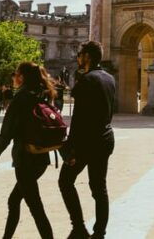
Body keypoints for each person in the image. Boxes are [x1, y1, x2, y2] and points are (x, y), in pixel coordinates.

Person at [0, 62, 55, 239]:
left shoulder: (21, 97)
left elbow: (7, 131)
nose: (13, 77)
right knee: (15, 200)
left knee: (35, 206)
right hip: (41, 156)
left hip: (26, 158)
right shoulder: (42, 94)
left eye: (15, 74)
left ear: (22, 77)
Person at [59, 41, 117, 239]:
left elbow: (79, 118)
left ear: (88, 57)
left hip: (87, 141)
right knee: (99, 188)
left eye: (80, 54)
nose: (78, 57)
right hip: (106, 137)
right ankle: (99, 233)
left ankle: (79, 227)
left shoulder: (87, 79)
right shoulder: (110, 78)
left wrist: (70, 147)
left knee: (65, 181)